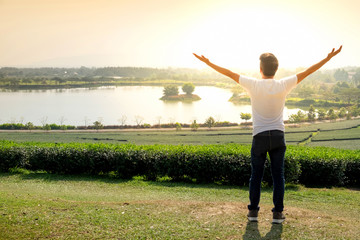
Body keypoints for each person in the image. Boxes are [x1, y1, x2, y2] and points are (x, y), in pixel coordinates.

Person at [193, 46, 342, 224]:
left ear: (261, 69)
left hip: (260, 137)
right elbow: (309, 71)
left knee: (256, 176)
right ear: (276, 69)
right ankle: (278, 214)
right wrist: (328, 58)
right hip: (278, 136)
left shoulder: (253, 84)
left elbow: (229, 73)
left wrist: (208, 63)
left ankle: (253, 213)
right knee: (278, 176)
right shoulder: (283, 84)